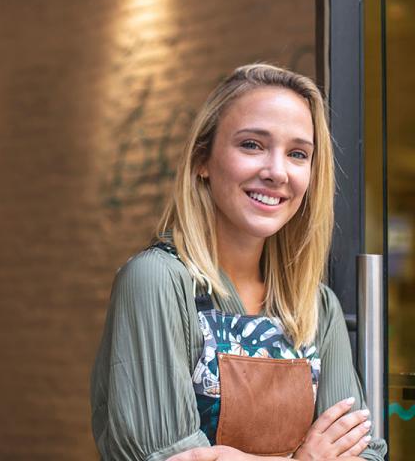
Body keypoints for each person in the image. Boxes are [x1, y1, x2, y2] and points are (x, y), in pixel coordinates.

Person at [90, 64, 388, 461]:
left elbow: (363, 454)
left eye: (298, 153)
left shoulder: (315, 307)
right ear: (203, 160)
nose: (276, 172)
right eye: (252, 145)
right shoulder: (157, 281)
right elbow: (166, 456)